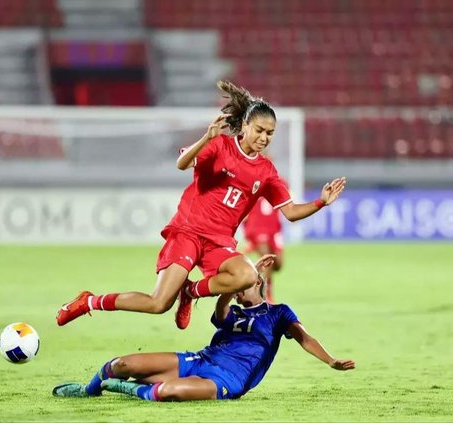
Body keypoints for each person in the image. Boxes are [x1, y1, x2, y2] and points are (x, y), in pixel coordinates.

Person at [56, 80, 346, 330]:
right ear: (244, 125)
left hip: (218, 242)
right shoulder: (220, 146)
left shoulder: (267, 171)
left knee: (247, 276)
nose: (263, 138)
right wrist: (206, 137)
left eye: (270, 134)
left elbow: (292, 212)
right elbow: (181, 164)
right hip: (188, 231)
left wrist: (321, 202)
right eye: (259, 130)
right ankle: (90, 301)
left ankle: (191, 292)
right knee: (158, 304)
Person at [52, 256, 355, 401]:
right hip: (200, 361)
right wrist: (230, 287)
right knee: (121, 363)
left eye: (245, 285)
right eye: (238, 288)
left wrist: (330, 360)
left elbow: (304, 338)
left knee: (169, 392)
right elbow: (220, 312)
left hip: (230, 380)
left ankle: (125, 388)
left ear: (258, 282)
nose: (239, 292)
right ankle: (88, 390)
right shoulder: (231, 310)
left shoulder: (278, 313)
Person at [242, 155, 286, 303]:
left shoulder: (281, 183)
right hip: (257, 228)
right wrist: (247, 231)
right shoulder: (249, 183)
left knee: (278, 264)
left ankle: (255, 278)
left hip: (274, 230)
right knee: (267, 259)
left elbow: (286, 205)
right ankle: (265, 295)